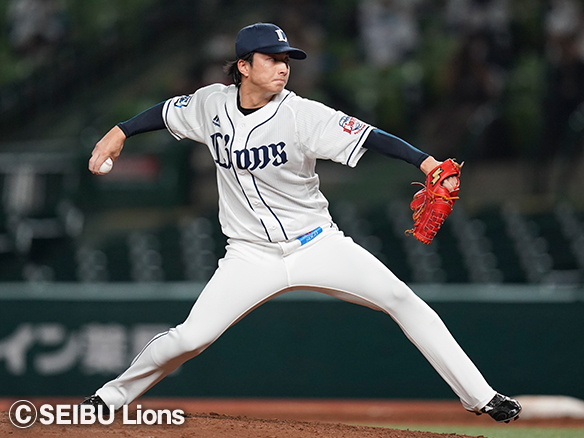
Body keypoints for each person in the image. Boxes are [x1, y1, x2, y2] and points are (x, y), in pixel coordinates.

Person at [83, 22, 521, 423]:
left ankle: (482, 396)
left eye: (286, 59)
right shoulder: (210, 103)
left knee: (401, 299)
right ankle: (109, 398)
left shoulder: (302, 114)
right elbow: (166, 112)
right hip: (249, 255)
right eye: (272, 58)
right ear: (243, 66)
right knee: (189, 339)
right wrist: (119, 133)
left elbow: (370, 136)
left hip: (317, 245)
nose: (283, 67)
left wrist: (426, 163)